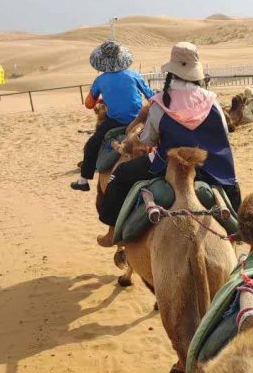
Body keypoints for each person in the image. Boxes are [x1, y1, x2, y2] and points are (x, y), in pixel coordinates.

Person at [97, 42, 240, 245]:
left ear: (172, 72)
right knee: (233, 185)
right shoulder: (213, 101)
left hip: (167, 165)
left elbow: (147, 140)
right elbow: (224, 134)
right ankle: (240, 233)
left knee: (120, 175)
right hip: (211, 167)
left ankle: (113, 229)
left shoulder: (160, 104)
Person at [71, 41, 154, 191]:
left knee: (91, 145)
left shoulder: (100, 80)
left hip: (115, 121)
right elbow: (151, 97)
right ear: (122, 57)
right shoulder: (134, 74)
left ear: (103, 61)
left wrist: (103, 96)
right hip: (139, 119)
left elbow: (89, 104)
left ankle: (83, 181)